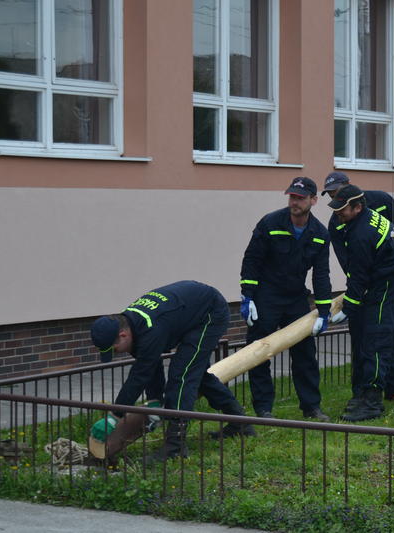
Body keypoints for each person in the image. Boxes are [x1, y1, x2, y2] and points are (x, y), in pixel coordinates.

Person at [89, 280, 255, 464]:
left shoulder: (150, 329)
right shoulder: (131, 324)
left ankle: (175, 446)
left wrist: (114, 416)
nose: (116, 353)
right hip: (187, 311)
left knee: (182, 374)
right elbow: (150, 364)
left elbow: (139, 376)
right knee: (195, 374)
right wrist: (155, 400)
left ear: (123, 335)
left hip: (210, 313)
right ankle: (241, 423)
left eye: (114, 349)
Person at [321, 171, 394, 401]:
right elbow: (349, 263)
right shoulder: (337, 222)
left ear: (349, 188)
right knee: (363, 339)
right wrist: (355, 295)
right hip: (365, 286)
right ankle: (361, 392)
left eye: (337, 192)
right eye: (330, 195)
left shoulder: (381, 200)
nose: (335, 199)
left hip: (390, 280)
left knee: (392, 334)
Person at [239, 177, 332, 422]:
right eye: (292, 197)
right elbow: (252, 260)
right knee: (259, 352)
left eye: (300, 198)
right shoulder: (270, 223)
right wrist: (248, 296)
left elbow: (321, 274)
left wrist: (323, 312)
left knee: (305, 355)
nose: (294, 202)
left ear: (313, 200)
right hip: (266, 296)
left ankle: (311, 407)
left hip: (296, 299)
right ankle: (263, 409)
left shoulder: (320, 234)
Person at [327, 184, 394, 421]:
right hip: (379, 283)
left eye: (342, 209)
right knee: (366, 343)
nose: (338, 214)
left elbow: (358, 275)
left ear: (357, 207)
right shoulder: (368, 217)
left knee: (375, 344)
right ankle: (361, 395)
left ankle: (372, 402)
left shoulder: (360, 234)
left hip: (380, 288)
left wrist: (348, 307)